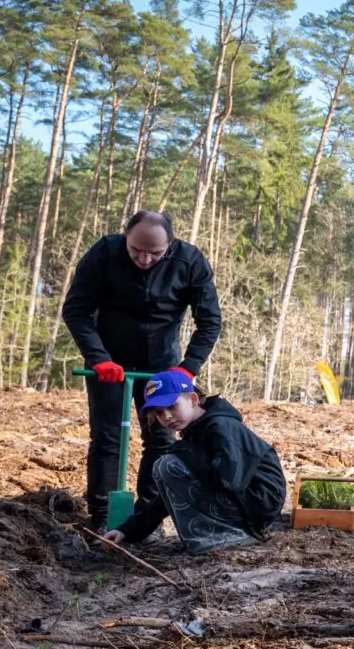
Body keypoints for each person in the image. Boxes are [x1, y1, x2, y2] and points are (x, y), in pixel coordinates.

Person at [62, 210, 222, 530]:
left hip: (162, 364)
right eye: (136, 250)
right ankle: (104, 516)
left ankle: (147, 517)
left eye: (155, 253)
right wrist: (98, 358)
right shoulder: (104, 253)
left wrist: (187, 369)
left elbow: (210, 322)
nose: (145, 259)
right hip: (108, 360)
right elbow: (76, 309)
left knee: (161, 437)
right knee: (107, 438)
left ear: (171, 245)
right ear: (125, 237)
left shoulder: (189, 262)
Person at [104, 369, 285, 555]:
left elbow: (229, 480)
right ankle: (215, 534)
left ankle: (228, 535)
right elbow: (168, 495)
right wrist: (127, 530)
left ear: (193, 399)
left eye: (172, 406)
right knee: (167, 467)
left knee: (168, 465)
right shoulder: (195, 432)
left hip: (259, 501)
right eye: (158, 412)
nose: (166, 416)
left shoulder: (221, 426)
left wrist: (186, 453)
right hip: (244, 499)